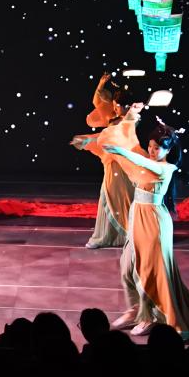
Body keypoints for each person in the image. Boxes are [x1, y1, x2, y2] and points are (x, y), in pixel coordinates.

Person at [103, 114, 189, 337]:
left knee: (148, 271)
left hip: (153, 222)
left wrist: (121, 152)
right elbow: (136, 157)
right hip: (137, 217)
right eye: (150, 146)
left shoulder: (166, 168)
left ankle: (150, 316)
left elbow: (141, 161)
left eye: (157, 148)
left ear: (168, 150)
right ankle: (135, 310)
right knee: (127, 267)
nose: (152, 151)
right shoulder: (148, 162)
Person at [71, 73, 141, 249]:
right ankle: (105, 235)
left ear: (127, 106)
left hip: (125, 162)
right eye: (115, 105)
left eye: (119, 106)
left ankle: (131, 234)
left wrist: (89, 140)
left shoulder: (131, 119)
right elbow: (98, 102)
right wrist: (101, 85)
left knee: (126, 197)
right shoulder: (113, 115)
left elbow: (115, 136)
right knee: (109, 194)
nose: (115, 108)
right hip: (111, 163)